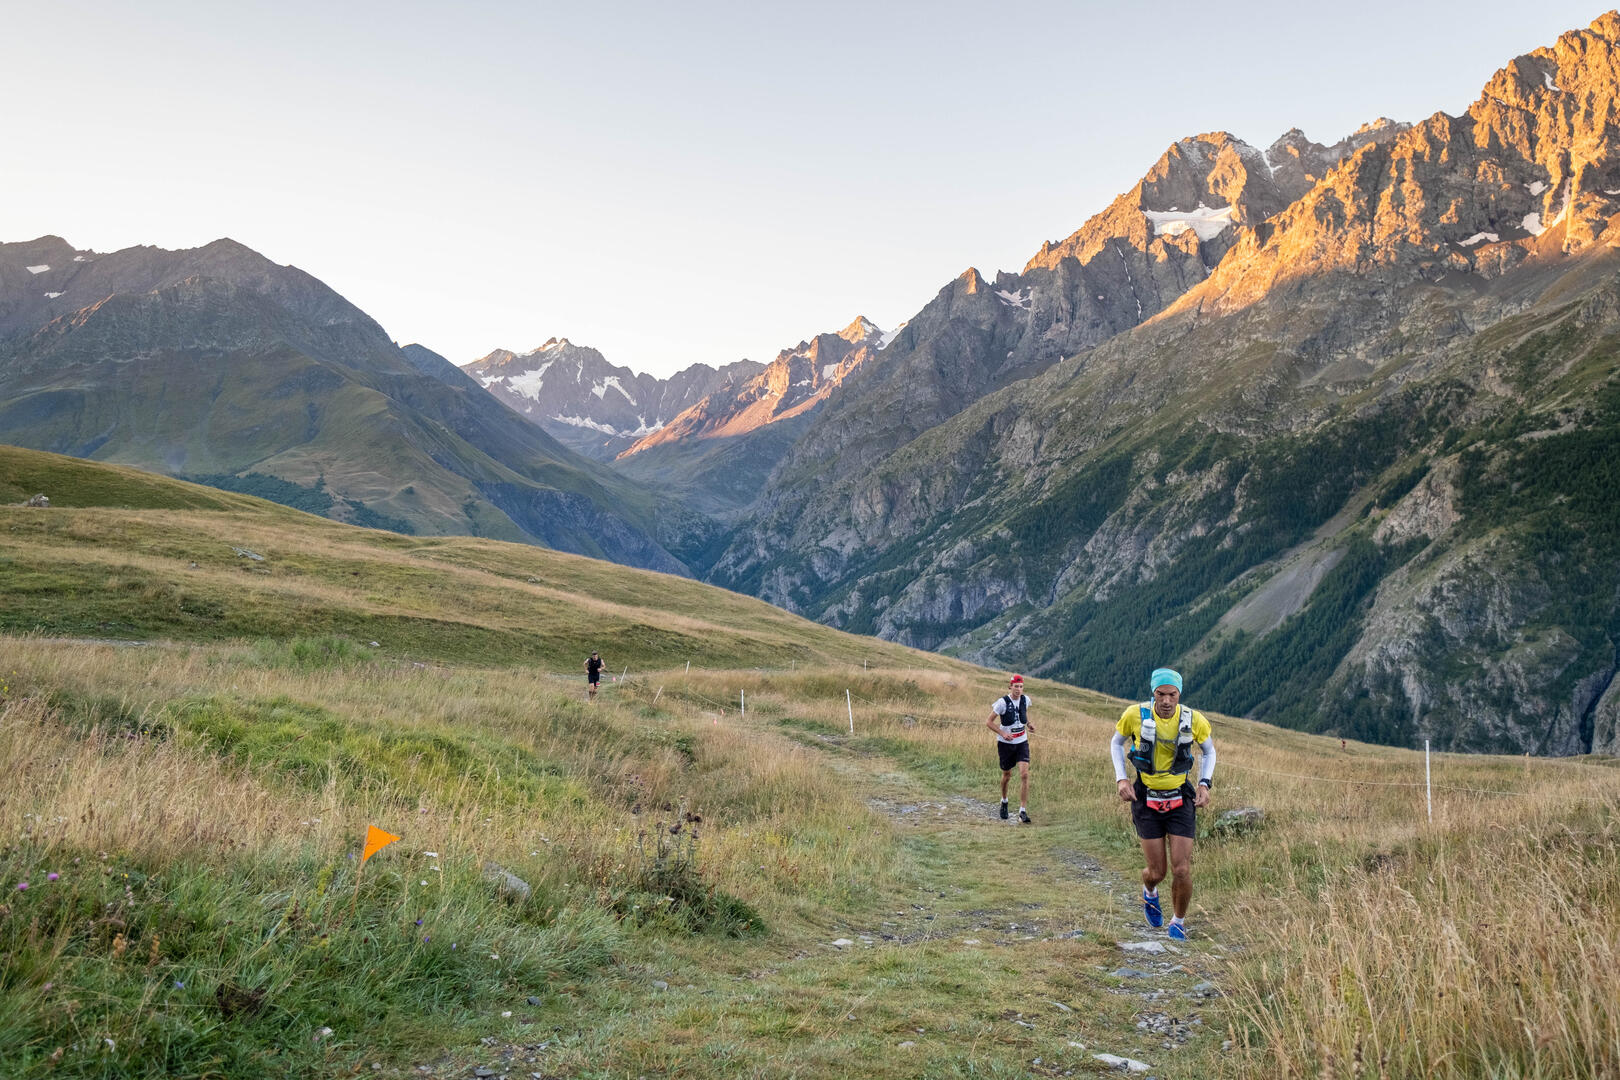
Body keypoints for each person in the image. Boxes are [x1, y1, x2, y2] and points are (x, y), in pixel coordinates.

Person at [1110, 667, 1216, 940]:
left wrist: (1205, 783)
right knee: (1157, 871)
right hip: (1146, 797)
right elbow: (1116, 742)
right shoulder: (1134, 715)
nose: (1167, 701)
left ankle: (1178, 922)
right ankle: (1150, 891)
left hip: (1181, 796)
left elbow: (1209, 750)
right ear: (1153, 693)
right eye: (1161, 694)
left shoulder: (1194, 720)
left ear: (1179, 694)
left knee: (1181, 868)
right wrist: (1122, 779)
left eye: (1172, 695)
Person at [986, 674, 1034, 823]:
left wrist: (1029, 724)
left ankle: (1022, 811)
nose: (1018, 689)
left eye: (1021, 686)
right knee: (1007, 776)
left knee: (1024, 774)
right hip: (1005, 744)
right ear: (1010, 687)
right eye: (1016, 686)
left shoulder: (1026, 700)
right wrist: (1002, 733)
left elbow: (1023, 715)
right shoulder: (1002, 703)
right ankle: (1004, 801)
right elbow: (988, 722)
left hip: (1022, 742)